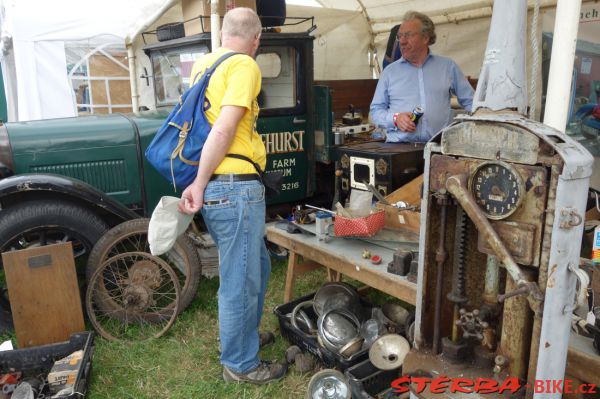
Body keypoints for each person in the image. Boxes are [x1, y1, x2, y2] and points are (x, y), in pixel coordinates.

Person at [178, 7, 286, 385]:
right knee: (240, 279)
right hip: (234, 187)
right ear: (257, 39)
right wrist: (200, 182)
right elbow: (222, 131)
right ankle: (240, 363)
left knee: (257, 266)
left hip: (226, 187)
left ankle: (243, 338)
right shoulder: (244, 66)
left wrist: (199, 181)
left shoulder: (204, 64)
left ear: (224, 33)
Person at [370, 11, 474, 143]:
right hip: (399, 148)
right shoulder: (389, 72)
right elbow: (376, 111)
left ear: (425, 38)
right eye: (400, 36)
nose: (402, 41)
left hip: (439, 147)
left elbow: (470, 102)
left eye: (408, 35)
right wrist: (395, 118)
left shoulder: (447, 66)